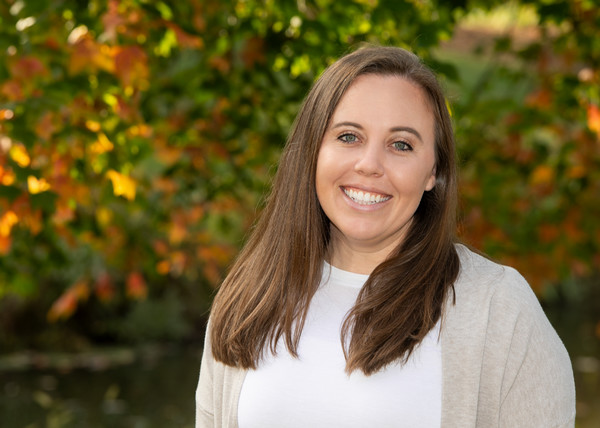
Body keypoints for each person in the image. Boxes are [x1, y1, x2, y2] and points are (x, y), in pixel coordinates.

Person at [195, 45, 575, 427]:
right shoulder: (251, 296)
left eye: (401, 145)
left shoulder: (499, 311)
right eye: (348, 137)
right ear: (312, 150)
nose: (370, 165)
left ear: (433, 172)